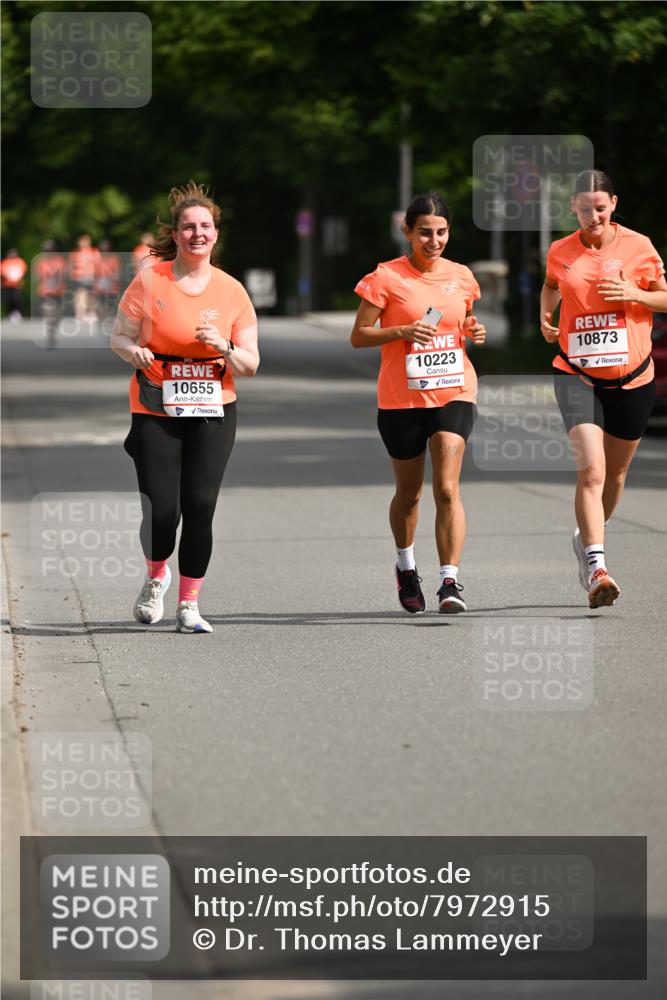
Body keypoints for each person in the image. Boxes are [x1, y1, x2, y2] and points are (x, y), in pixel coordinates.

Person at [110, 181, 259, 633]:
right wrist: (132, 352)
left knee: (200, 505)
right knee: (162, 509)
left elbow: (251, 363)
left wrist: (226, 346)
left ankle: (189, 603)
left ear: (215, 234)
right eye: (189, 227)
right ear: (175, 235)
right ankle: (157, 576)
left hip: (214, 406)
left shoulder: (232, 291)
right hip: (156, 403)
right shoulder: (150, 279)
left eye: (206, 227)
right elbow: (119, 334)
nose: (198, 233)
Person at [351, 191, 486, 614]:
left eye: (442, 232)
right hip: (401, 398)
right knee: (409, 494)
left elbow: (461, 324)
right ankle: (406, 567)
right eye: (425, 232)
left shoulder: (462, 275)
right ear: (407, 231)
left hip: (454, 390)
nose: (434, 240)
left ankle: (451, 581)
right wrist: (402, 332)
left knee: (447, 488)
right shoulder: (386, 277)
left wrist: (473, 333)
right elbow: (359, 335)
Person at [540, 169, 667, 609]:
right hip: (576, 373)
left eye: (600, 206)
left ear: (613, 204)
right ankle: (597, 566)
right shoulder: (561, 250)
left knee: (614, 475)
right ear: (572, 207)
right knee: (591, 471)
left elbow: (663, 297)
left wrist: (633, 293)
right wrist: (546, 314)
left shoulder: (639, 246)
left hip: (633, 377)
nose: (592, 214)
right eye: (583, 207)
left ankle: (586, 538)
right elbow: (551, 285)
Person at [35, 240, 67, 347]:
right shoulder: (40, 262)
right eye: (45, 250)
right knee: (48, 313)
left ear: (54, 250)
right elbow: (37, 276)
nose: (47, 252)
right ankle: (50, 333)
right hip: (45, 292)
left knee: (56, 316)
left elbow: (65, 275)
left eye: (49, 250)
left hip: (58, 292)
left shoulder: (60, 261)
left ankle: (52, 329)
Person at [69, 234, 100, 321]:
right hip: (79, 276)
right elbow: (71, 264)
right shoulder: (75, 252)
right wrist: (72, 274)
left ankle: (91, 312)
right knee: (80, 294)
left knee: (92, 295)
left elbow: (98, 264)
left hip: (91, 276)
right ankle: (80, 314)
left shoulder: (94, 251)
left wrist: (97, 276)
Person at [94, 238, 122, 328]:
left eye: (106, 250)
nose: (104, 253)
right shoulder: (97, 260)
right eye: (102, 251)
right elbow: (95, 275)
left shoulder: (114, 259)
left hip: (111, 288)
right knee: (100, 305)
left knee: (111, 306)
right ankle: (102, 321)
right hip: (100, 288)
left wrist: (115, 280)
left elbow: (118, 274)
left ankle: (110, 321)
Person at [1, 248, 27, 321]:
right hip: (7, 285)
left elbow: (22, 271)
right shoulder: (5, 262)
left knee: (16, 299)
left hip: (17, 285)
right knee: (8, 300)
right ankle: (9, 313)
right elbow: (2, 272)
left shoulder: (20, 261)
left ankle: (16, 313)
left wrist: (16, 278)